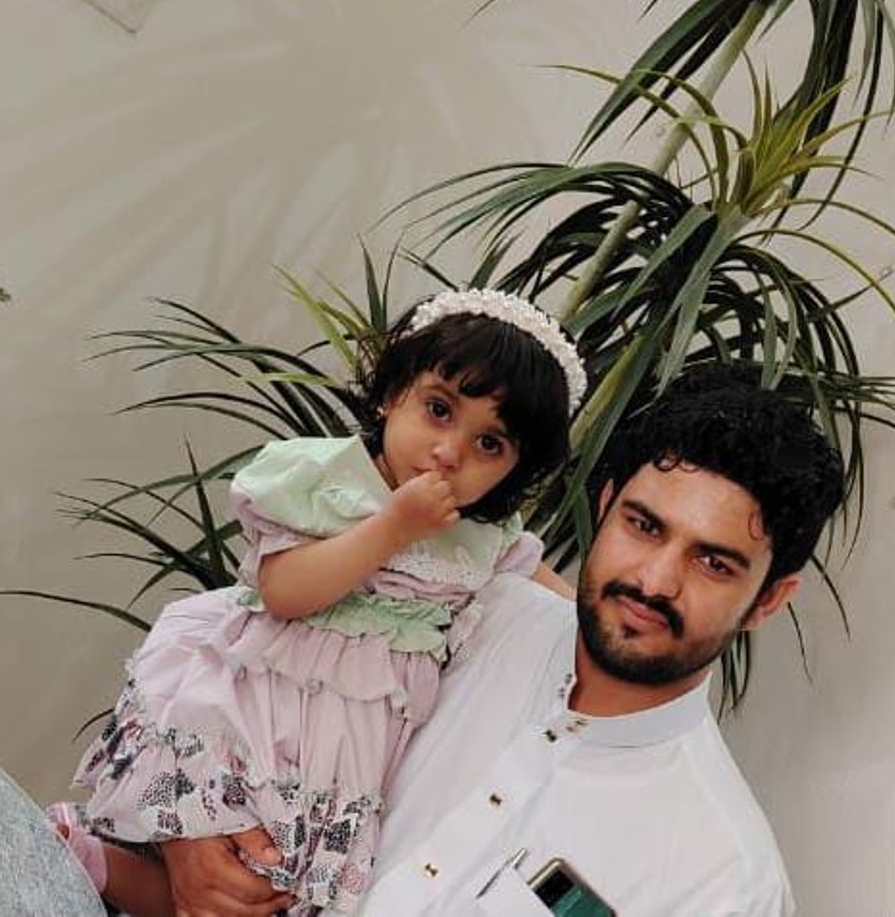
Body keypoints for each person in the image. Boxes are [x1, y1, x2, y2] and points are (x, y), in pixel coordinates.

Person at [162, 363, 845, 916]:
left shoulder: (722, 879)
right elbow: (222, 648)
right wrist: (189, 833)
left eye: (713, 563)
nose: (655, 580)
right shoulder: (465, 607)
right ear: (605, 506)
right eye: (644, 527)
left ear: (768, 599)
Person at [50, 288, 587, 916]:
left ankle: (89, 861)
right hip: (258, 714)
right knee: (231, 868)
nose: (450, 452)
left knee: (269, 897)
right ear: (392, 395)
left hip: (342, 757)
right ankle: (96, 858)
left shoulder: (483, 537)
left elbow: (562, 598)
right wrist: (392, 527)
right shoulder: (327, 481)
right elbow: (283, 592)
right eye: (439, 410)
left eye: (490, 444)